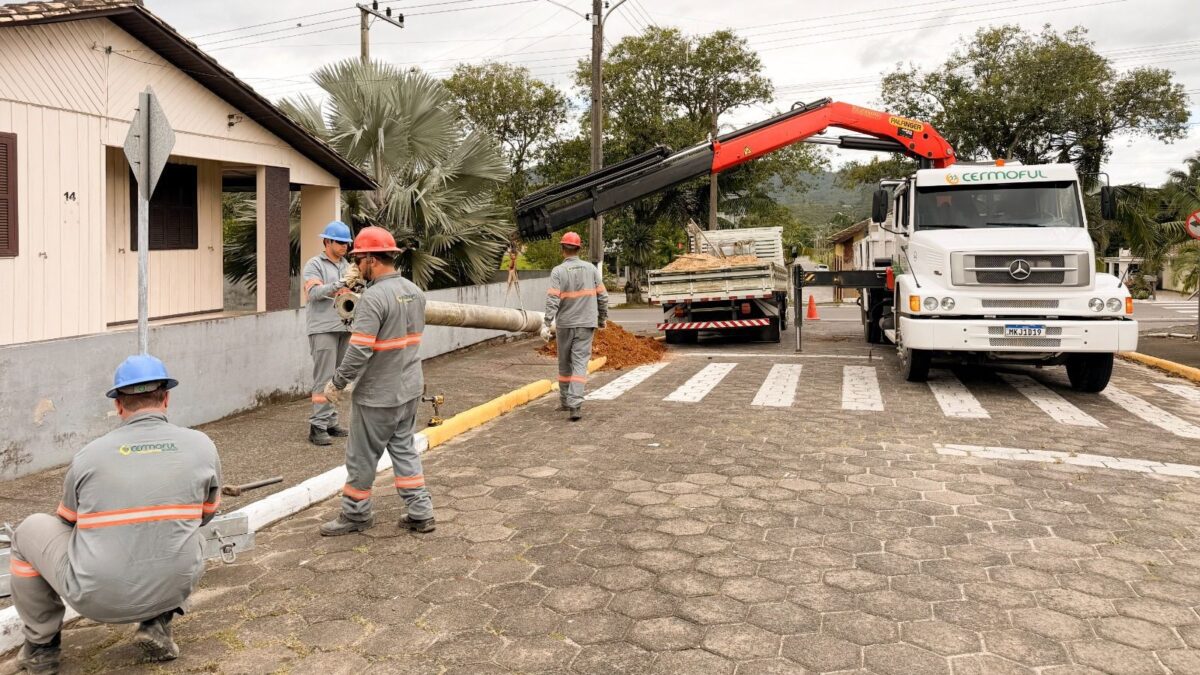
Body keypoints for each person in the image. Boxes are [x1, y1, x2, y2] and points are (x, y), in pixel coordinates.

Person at [10, 355, 221, 674]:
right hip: (173, 586)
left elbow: (66, 522)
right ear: (166, 398)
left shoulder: (89, 456)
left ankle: (42, 649)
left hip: (96, 600)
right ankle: (157, 622)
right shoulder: (202, 446)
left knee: (27, 531)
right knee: (190, 535)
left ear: (119, 406)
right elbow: (205, 516)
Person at [320, 226, 435, 536]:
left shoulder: (372, 298)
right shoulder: (414, 291)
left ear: (371, 259)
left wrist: (338, 383)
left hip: (378, 396)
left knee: (360, 456)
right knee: (404, 450)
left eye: (358, 260)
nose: (356, 266)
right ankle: (421, 512)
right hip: (409, 389)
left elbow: (359, 349)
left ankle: (356, 514)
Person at [542, 232, 608, 421]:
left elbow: (552, 298)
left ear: (563, 249)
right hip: (586, 324)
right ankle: (575, 405)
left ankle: (565, 401)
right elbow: (603, 297)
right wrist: (602, 318)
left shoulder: (558, 272)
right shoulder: (591, 269)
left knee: (564, 363)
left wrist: (546, 323)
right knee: (580, 364)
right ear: (579, 249)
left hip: (565, 325)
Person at [303, 221, 355, 446]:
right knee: (324, 378)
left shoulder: (347, 265)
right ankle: (317, 426)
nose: (345, 246)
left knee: (338, 378)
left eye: (347, 243)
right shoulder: (314, 264)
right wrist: (341, 283)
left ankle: (331, 422)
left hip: (344, 327)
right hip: (323, 328)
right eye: (340, 242)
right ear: (327, 241)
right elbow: (314, 293)